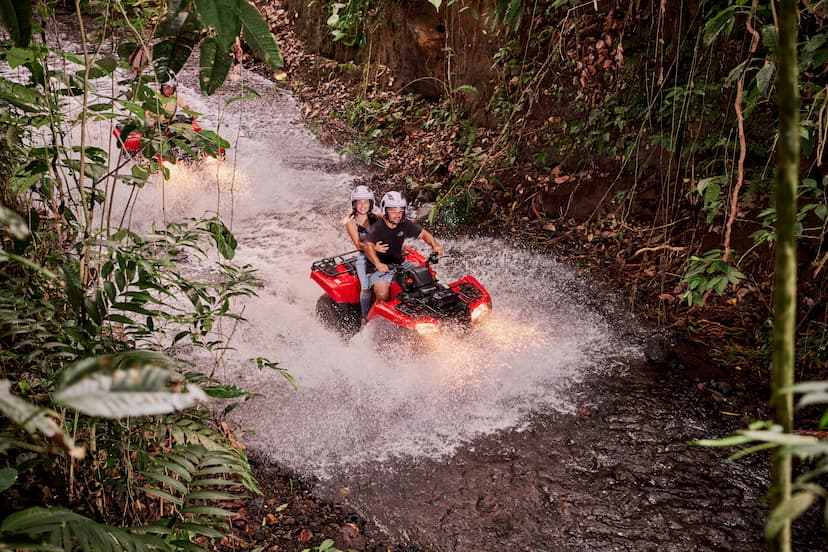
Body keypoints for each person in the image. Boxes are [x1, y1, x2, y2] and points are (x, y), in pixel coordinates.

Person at [363, 191, 445, 304]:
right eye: (393, 210)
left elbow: (424, 234)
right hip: (376, 268)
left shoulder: (404, 224)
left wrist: (434, 245)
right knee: (382, 293)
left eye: (400, 210)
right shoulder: (377, 228)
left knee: (427, 276)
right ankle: (370, 319)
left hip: (400, 263)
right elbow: (368, 246)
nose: (398, 214)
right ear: (385, 210)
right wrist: (378, 263)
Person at [345, 185, 388, 321]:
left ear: (371, 203)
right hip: (364, 256)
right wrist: (374, 248)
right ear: (354, 204)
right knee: (366, 287)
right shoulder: (350, 221)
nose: (362, 205)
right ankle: (365, 318)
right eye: (359, 202)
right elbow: (358, 244)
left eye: (366, 202)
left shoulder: (377, 217)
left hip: (382, 254)